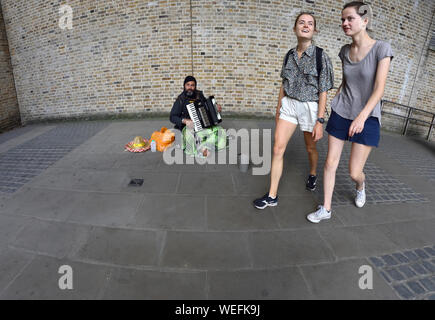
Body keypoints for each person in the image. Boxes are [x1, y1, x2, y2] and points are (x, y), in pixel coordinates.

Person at [307, 2, 393, 223]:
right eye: (342, 19)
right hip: (342, 110)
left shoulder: (382, 49)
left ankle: (361, 186)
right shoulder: (345, 51)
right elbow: (347, 82)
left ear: (364, 21)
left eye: (349, 19)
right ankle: (325, 208)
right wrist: (334, 102)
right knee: (330, 163)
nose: (344, 23)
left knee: (354, 171)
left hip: (367, 116)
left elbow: (379, 89)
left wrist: (362, 117)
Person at [253, 12, 334, 209]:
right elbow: (284, 83)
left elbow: (323, 90)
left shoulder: (321, 56)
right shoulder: (289, 55)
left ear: (314, 30)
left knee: (310, 148)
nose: (305, 26)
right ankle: (272, 195)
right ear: (295, 28)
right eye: (301, 22)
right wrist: (278, 107)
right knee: (277, 148)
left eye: (310, 24)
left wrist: (320, 121)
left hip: (310, 107)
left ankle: (313, 173)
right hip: (289, 104)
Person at [169, 76, 225, 157]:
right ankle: (202, 148)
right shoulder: (180, 99)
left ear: (195, 86)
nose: (190, 87)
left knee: (220, 131)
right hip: (188, 126)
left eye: (192, 85)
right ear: (184, 86)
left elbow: (207, 106)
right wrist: (185, 121)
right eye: (188, 85)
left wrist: (216, 107)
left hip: (203, 124)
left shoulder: (199, 95)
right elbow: (172, 117)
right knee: (191, 134)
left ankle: (206, 146)